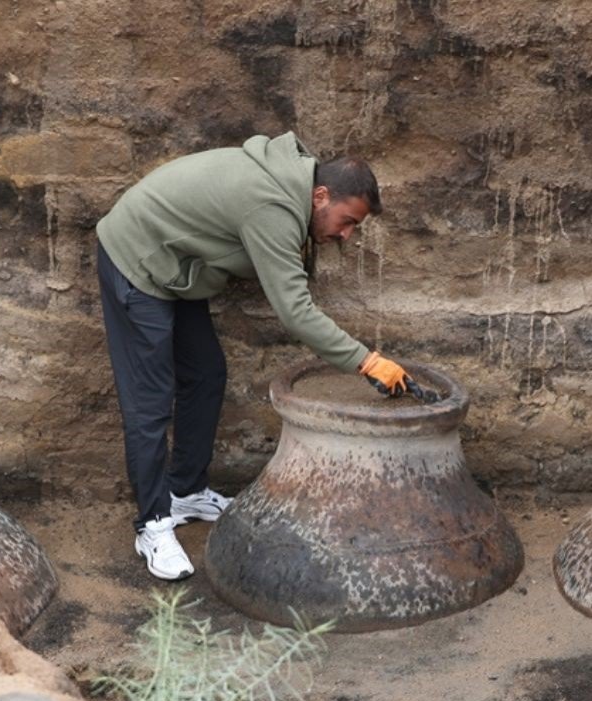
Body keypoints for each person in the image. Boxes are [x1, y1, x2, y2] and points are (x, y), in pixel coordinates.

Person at [94, 132, 421, 581]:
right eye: (346, 221)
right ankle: (152, 523)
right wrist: (367, 362)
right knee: (149, 400)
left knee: (206, 374)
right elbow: (295, 310)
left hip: (178, 264)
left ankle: (186, 490)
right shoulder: (272, 207)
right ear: (321, 195)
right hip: (137, 257)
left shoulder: (295, 187)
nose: (345, 235)